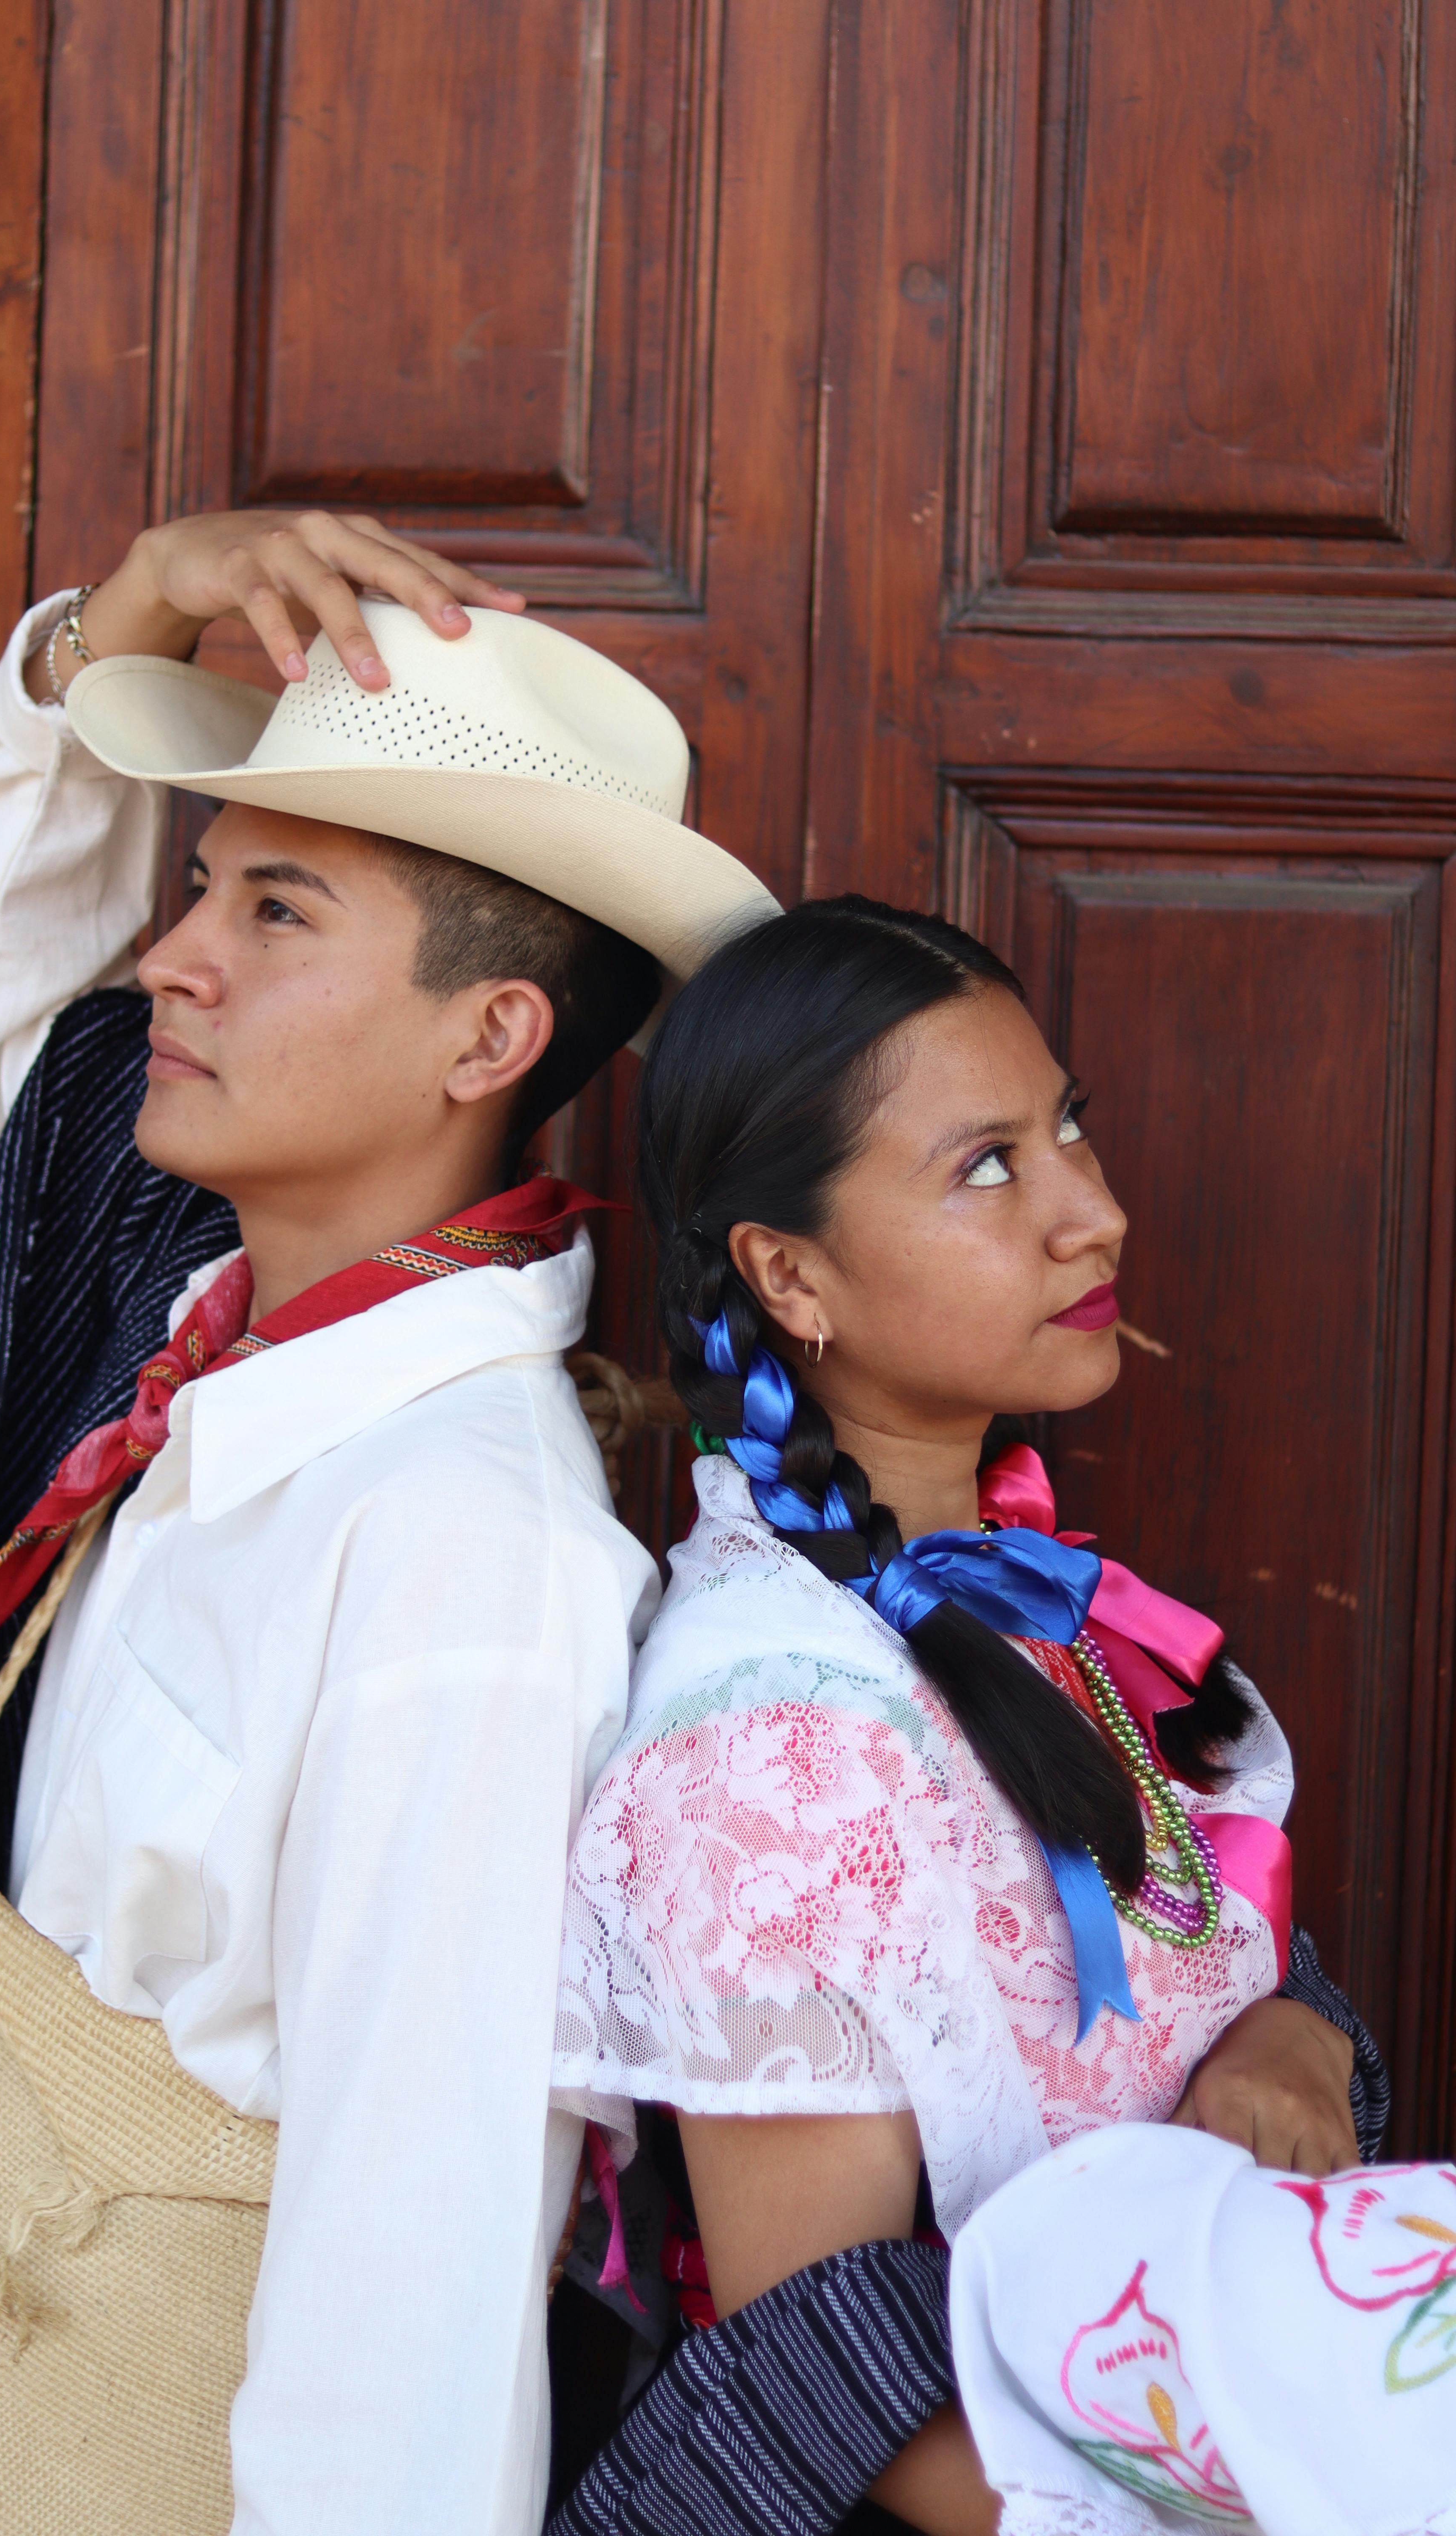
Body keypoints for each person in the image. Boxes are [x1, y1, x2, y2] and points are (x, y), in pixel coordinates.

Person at [0, 508, 775, 2534]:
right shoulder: (185, 1297)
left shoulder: (468, 1558)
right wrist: (116, 623)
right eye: (202, 880)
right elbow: (8, 1011)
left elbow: (409, 2292)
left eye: (280, 912)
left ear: (490, 1038)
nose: (177, 954)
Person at [548, 897, 1403, 2536]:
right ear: (789, 1274)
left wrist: (1285, 2041)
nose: (1095, 1212)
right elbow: (826, 2374)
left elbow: (1194, 1955)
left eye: (1065, 1125)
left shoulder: (1013, 1600)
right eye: (988, 1167)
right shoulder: (777, 1746)